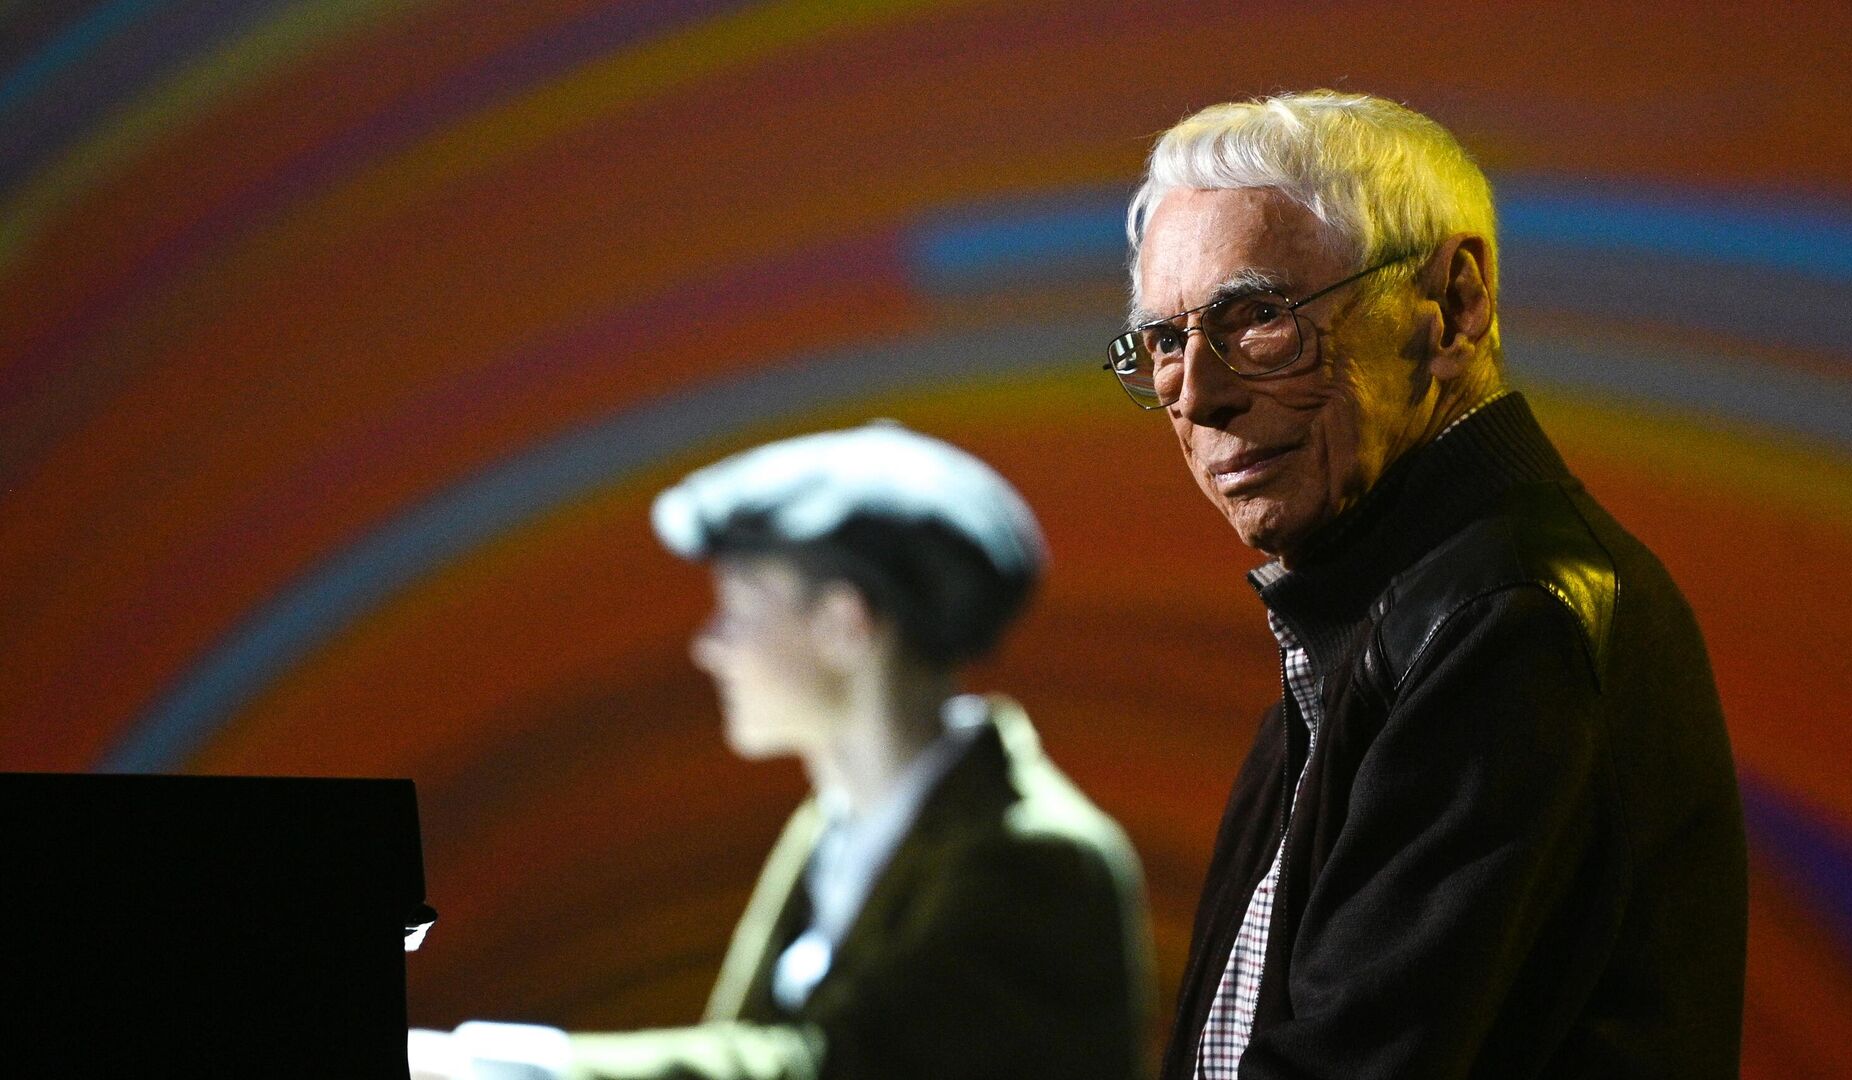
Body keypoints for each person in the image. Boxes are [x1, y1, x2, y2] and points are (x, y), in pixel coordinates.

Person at [1104, 91, 1746, 1079]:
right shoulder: (1367, 622)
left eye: (1259, 318)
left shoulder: (1507, 621)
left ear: (1453, 306)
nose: (1197, 396)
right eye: (1163, 343)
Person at [411, 421, 1154, 1080]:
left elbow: (838, 1068)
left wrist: (476, 1070)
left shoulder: (1036, 856)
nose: (710, 645)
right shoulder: (834, 828)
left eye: (738, 606)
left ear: (844, 624)